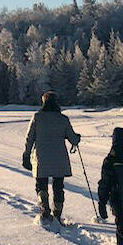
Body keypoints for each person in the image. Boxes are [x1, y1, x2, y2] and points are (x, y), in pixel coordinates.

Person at [22, 90, 81, 222]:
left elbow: (29, 138)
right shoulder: (63, 119)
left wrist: (26, 155)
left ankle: (45, 209)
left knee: (41, 184)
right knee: (58, 186)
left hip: (41, 158)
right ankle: (57, 213)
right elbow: (73, 140)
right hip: (59, 158)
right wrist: (76, 138)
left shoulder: (37, 117)